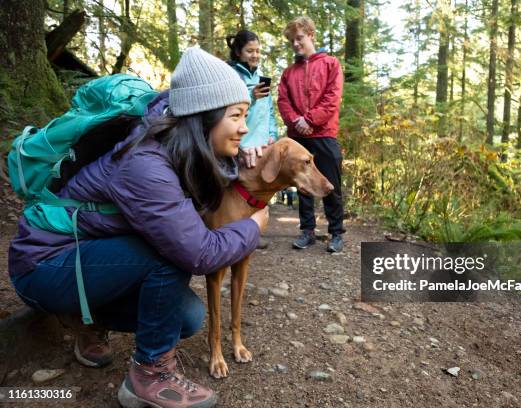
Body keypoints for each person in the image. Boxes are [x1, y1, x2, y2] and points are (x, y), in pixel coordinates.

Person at [8, 47, 269, 408]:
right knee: (169, 255)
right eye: (237, 116)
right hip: (43, 265)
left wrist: (235, 158)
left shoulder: (173, 141)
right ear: (204, 117)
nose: (244, 127)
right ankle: (148, 375)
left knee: (187, 318)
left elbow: (198, 182)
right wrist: (253, 226)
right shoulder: (144, 164)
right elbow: (199, 253)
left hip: (84, 258)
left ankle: (85, 318)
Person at [277, 16, 345, 253]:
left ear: (311, 35)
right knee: (303, 185)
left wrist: (310, 120)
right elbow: (283, 101)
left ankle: (336, 232)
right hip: (298, 136)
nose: (295, 43)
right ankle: (307, 231)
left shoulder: (331, 64)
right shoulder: (288, 73)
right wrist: (297, 121)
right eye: (292, 40)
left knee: (331, 184)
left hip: (324, 134)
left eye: (300, 38)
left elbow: (332, 98)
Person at [226, 29, 278, 249]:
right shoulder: (230, 75)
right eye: (250, 51)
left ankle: (253, 232)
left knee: (258, 188)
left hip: (261, 142)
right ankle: (231, 231)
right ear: (238, 52)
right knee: (237, 188)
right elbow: (229, 107)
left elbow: (270, 111)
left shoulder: (260, 77)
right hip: (240, 141)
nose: (255, 55)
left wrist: (272, 134)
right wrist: (250, 96)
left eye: (257, 51)